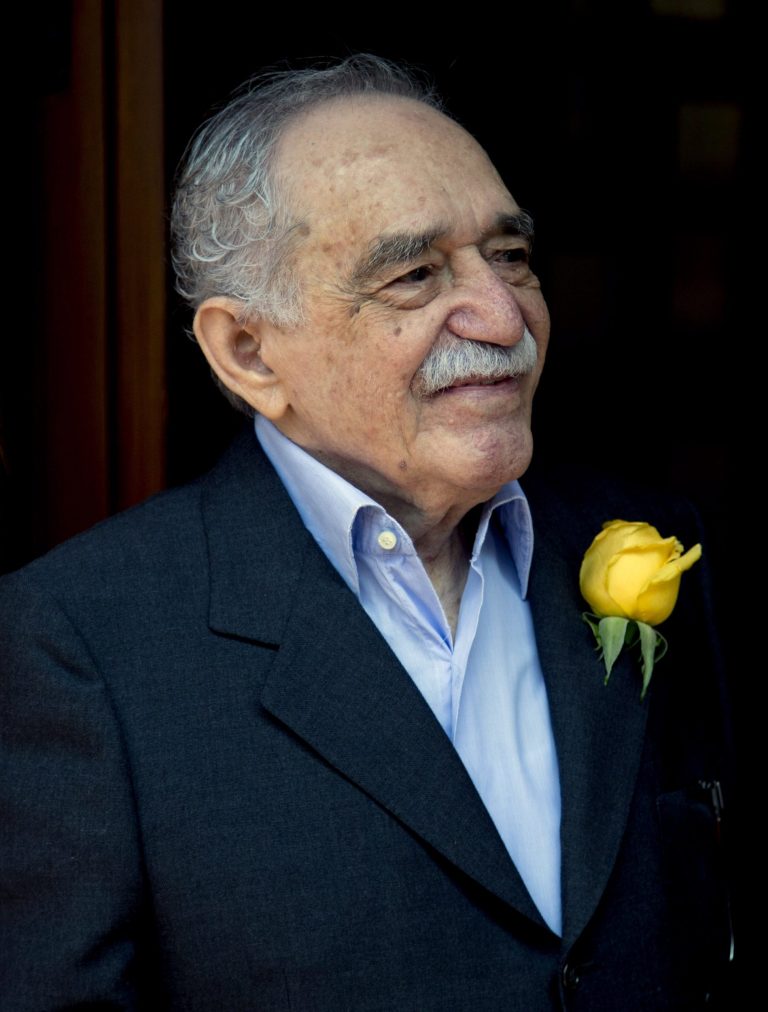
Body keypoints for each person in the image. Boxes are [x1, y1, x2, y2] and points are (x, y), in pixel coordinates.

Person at [1, 55, 733, 1009]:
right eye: (414, 275)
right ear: (249, 351)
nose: (504, 315)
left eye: (510, 257)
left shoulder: (647, 542)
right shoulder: (81, 644)